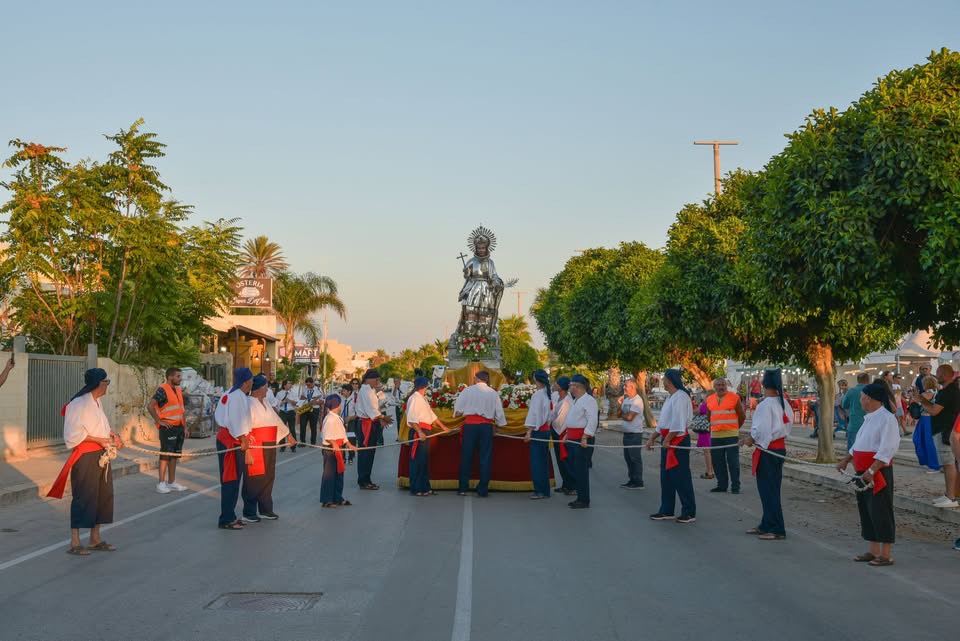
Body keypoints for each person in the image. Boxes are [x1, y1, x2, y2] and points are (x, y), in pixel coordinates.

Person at [48, 368, 124, 556]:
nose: (108, 385)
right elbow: (72, 435)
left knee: (102, 496)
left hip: (102, 455)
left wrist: (113, 435)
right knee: (84, 496)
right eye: (107, 381)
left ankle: (94, 538)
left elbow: (100, 427)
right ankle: (75, 541)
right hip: (86, 456)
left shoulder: (96, 403)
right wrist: (98, 440)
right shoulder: (78, 404)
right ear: (99, 383)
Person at [836, 382, 901, 567]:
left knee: (881, 511)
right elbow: (859, 444)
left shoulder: (887, 419)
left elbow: (887, 448)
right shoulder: (869, 418)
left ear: (870, 399)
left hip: (877, 472)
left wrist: (872, 470)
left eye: (862, 397)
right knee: (867, 510)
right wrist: (846, 459)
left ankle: (886, 553)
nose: (861, 401)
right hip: (862, 472)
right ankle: (873, 550)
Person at [743, 369, 793, 540]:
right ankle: (767, 523)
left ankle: (777, 528)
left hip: (768, 449)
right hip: (778, 448)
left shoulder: (765, 405)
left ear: (763, 385)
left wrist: (751, 439)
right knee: (771, 489)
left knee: (769, 490)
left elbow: (761, 430)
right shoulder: (784, 403)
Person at [242, 375, 295, 522]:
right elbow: (244, 423)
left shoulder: (265, 402)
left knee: (268, 476)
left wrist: (288, 434)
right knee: (254, 477)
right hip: (256, 443)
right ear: (258, 388)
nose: (268, 389)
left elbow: (276, 420)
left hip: (270, 441)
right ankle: (249, 511)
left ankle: (265, 509)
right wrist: (246, 441)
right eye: (265, 386)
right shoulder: (248, 403)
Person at [647, 369, 696, 523]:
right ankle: (666, 509)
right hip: (668, 440)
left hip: (677, 441)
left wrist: (667, 440)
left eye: (664, 378)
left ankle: (689, 511)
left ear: (669, 380)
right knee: (666, 477)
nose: (662, 380)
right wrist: (653, 438)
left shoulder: (681, 397)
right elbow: (663, 422)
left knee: (681, 477)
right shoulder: (670, 397)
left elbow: (678, 423)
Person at [911, 364, 960, 508]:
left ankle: (950, 497)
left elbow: (934, 410)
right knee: (948, 464)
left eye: (938, 373)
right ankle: (949, 494)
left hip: (946, 431)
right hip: (946, 430)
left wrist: (920, 400)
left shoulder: (948, 392)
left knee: (949, 464)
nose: (935, 376)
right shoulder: (949, 390)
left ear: (944, 375)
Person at [453, 370, 506, 497]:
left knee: (467, 456)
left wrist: (466, 411)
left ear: (476, 379)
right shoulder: (493, 393)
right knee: (485, 457)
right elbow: (499, 413)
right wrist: (498, 426)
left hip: (470, 426)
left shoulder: (467, 391)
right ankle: (483, 490)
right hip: (486, 427)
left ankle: (463, 488)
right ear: (487, 380)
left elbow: (458, 410)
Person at [213, 367, 254, 530]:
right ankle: (226, 518)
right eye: (251, 379)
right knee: (230, 481)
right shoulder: (236, 396)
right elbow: (236, 421)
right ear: (246, 381)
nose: (252, 382)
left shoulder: (231, 393)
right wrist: (243, 439)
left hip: (230, 439)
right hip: (232, 441)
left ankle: (230, 515)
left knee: (233, 480)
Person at [406, 376, 450, 496]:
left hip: (425, 429)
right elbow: (411, 418)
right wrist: (419, 432)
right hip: (418, 430)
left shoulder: (422, 398)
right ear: (424, 386)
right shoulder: (415, 398)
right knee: (417, 460)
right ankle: (416, 488)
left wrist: (443, 427)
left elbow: (431, 415)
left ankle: (425, 487)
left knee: (424, 460)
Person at [147, 367, 188, 494]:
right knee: (165, 455)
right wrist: (159, 421)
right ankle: (161, 483)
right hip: (168, 428)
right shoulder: (162, 390)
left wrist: (185, 427)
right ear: (170, 377)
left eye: (180, 376)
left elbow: (181, 410)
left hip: (178, 427)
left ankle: (171, 482)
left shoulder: (178, 390)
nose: (180, 379)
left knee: (174, 455)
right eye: (178, 376)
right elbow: (150, 406)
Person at [563, 374, 599, 509]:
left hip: (581, 439)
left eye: (571, 385)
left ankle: (584, 499)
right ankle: (580, 496)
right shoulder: (576, 400)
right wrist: (567, 434)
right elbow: (573, 419)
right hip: (573, 438)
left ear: (577, 386)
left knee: (581, 470)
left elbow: (592, 420)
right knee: (575, 469)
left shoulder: (588, 400)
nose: (569, 387)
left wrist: (585, 436)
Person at [355, 368, 394, 490]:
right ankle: (363, 480)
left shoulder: (371, 390)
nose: (377, 381)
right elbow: (371, 410)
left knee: (370, 453)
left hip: (371, 422)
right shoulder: (366, 391)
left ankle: (366, 478)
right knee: (366, 453)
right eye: (376, 379)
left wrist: (381, 418)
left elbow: (378, 406)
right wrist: (383, 417)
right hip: (366, 424)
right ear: (369, 379)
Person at [707, 378, 746, 494]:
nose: (721, 387)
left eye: (723, 385)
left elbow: (742, 415)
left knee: (733, 462)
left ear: (726, 386)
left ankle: (735, 486)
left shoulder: (734, 398)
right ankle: (722, 485)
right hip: (716, 435)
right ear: (714, 387)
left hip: (731, 435)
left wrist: (735, 428)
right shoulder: (709, 399)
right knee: (717, 462)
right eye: (718, 385)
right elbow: (708, 416)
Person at [319, 394, 358, 508]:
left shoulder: (337, 417)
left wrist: (349, 444)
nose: (341, 405)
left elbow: (342, 433)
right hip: (331, 450)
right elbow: (326, 435)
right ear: (336, 405)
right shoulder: (330, 418)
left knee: (339, 474)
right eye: (340, 403)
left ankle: (337, 497)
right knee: (329, 475)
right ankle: (327, 500)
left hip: (339, 448)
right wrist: (334, 443)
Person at [523, 369, 554, 500]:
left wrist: (529, 431)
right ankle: (545, 490)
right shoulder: (548, 393)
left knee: (537, 463)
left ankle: (539, 490)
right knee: (543, 462)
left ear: (536, 379)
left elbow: (534, 415)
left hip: (538, 432)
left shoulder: (538, 395)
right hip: (546, 430)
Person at [550, 377, 576, 495]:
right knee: (560, 460)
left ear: (562, 387)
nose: (554, 384)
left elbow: (560, 420)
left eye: (557, 383)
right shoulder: (557, 396)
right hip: (557, 432)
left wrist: (550, 423)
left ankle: (571, 485)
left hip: (562, 433)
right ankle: (565, 484)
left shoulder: (567, 401)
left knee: (566, 460)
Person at [619, 378, 645, 490]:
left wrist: (622, 415)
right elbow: (618, 413)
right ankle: (632, 480)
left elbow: (629, 417)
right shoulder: (626, 400)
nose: (624, 387)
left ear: (633, 387)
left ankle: (638, 481)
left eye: (626, 385)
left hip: (635, 434)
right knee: (628, 458)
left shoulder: (637, 400)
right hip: (627, 433)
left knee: (635, 458)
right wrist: (619, 404)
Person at [911, 375, 941, 471]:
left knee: (926, 441)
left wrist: (915, 394)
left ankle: (934, 464)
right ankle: (930, 462)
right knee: (921, 440)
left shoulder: (929, 393)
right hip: (926, 419)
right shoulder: (933, 392)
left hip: (927, 419)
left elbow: (917, 399)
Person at [841, 372, 871, 445]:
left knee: (852, 449)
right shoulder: (873, 391)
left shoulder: (851, 391)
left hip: (854, 424)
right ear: (868, 380)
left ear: (858, 380)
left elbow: (844, 405)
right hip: (870, 425)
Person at [296, 377, 322, 446]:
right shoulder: (305, 389)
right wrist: (303, 399)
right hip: (305, 408)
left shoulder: (318, 390)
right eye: (307, 385)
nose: (308, 386)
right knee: (302, 425)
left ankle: (313, 442)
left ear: (313, 383)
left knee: (313, 426)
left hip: (314, 409)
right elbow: (301, 398)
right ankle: (302, 442)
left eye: (309, 385)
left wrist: (314, 402)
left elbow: (323, 401)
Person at [275, 380, 298, 452]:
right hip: (282, 412)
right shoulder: (279, 393)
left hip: (291, 412)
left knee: (292, 429)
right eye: (289, 383)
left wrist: (289, 401)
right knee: (282, 428)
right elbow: (277, 404)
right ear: (284, 385)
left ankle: (293, 446)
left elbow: (295, 403)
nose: (290, 384)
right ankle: (282, 446)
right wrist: (283, 401)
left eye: (290, 383)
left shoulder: (293, 393)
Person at [339, 383, 358, 464]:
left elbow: (358, 413)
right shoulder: (341, 399)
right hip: (342, 422)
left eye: (344, 390)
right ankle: (343, 458)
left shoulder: (354, 400)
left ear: (349, 391)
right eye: (342, 390)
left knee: (351, 440)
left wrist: (350, 418)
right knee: (342, 440)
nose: (342, 392)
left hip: (351, 422)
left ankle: (351, 457)